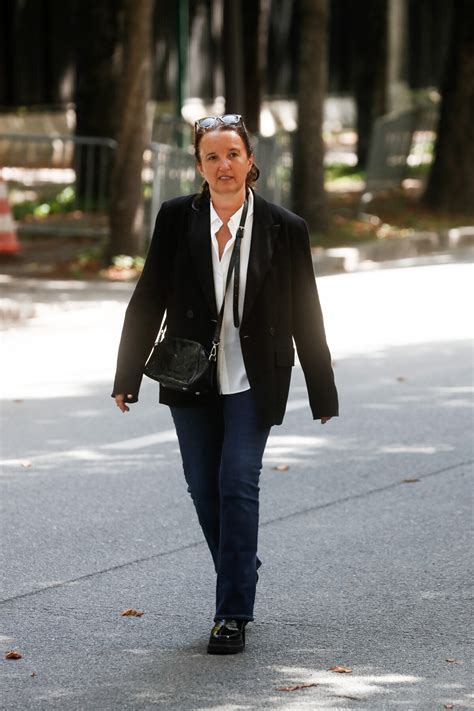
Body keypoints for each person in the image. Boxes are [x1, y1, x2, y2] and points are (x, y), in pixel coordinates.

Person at [112, 114, 338, 655]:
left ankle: (231, 612)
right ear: (198, 166)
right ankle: (241, 561)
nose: (223, 166)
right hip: (190, 375)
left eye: (232, 154)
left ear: (250, 160)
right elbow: (148, 298)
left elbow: (307, 310)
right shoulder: (176, 218)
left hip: (254, 376)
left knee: (237, 482)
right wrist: (126, 375)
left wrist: (322, 388)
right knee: (201, 485)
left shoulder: (285, 227)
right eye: (211, 157)